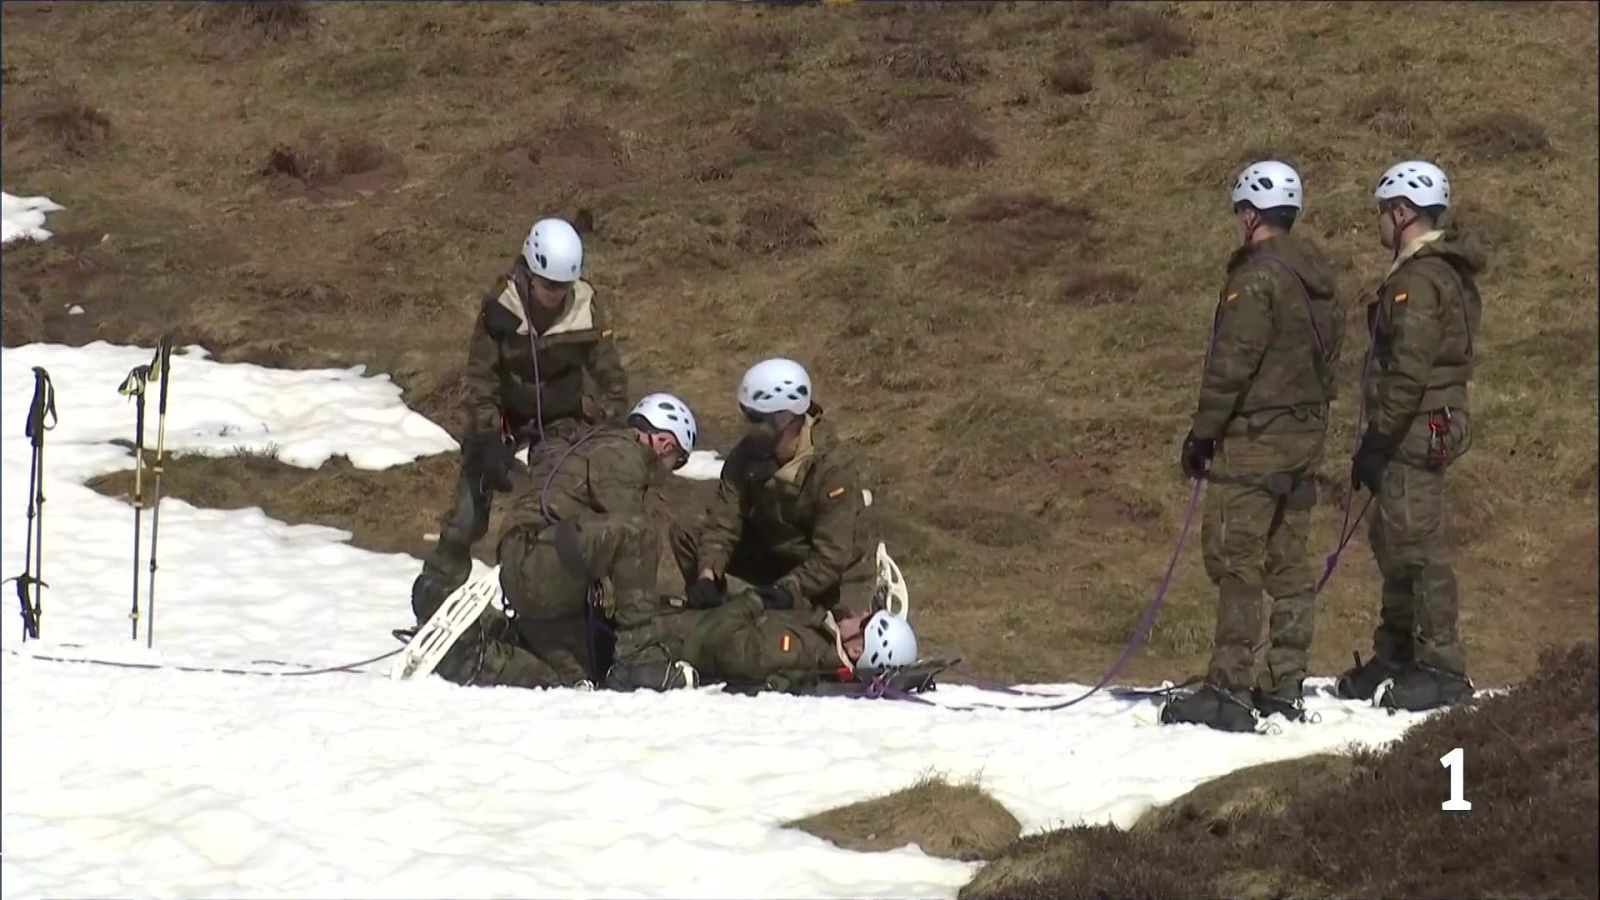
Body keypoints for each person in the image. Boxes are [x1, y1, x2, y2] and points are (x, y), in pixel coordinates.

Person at [1161, 160, 1343, 733]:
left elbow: (1231, 365)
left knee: (1237, 559)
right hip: (1304, 437)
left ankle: (1229, 687)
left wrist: (1204, 433)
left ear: (1249, 214)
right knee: (1289, 561)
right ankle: (1283, 682)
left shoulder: (1255, 279)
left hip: (1256, 440)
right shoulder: (1319, 280)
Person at [411, 217, 629, 624]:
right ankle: (435, 596)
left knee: (557, 504)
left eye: (563, 288)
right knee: (468, 512)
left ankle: (555, 605)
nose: (555, 296)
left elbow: (609, 371)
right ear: (530, 274)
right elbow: (481, 378)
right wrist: (490, 436)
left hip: (561, 418)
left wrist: (614, 419)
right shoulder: (500, 308)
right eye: (548, 287)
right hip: (506, 417)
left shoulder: (586, 307)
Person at [1336, 160, 1483, 712]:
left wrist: (1379, 437)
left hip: (1418, 424)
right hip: (1422, 420)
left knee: (1417, 547)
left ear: (1402, 213)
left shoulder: (1419, 281)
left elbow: (1410, 368)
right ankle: (1396, 653)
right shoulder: (1435, 273)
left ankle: (1442, 666)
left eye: (1382, 212)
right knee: (1393, 538)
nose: (1378, 222)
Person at [430, 392, 698, 690]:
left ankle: (475, 654)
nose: (672, 469)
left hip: (540, 564)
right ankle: (638, 660)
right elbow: (627, 530)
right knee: (639, 531)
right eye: (679, 460)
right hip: (537, 557)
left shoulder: (601, 446)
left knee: (572, 678)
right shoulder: (622, 452)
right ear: (665, 443)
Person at [672, 358, 879, 616]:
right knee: (689, 529)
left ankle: (864, 602)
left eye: (760, 420)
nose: (751, 429)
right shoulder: (746, 456)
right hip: (777, 555)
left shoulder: (832, 468)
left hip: (833, 571)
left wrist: (786, 590)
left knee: (840, 638)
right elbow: (723, 523)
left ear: (786, 417)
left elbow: (830, 557)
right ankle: (713, 616)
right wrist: (707, 574)